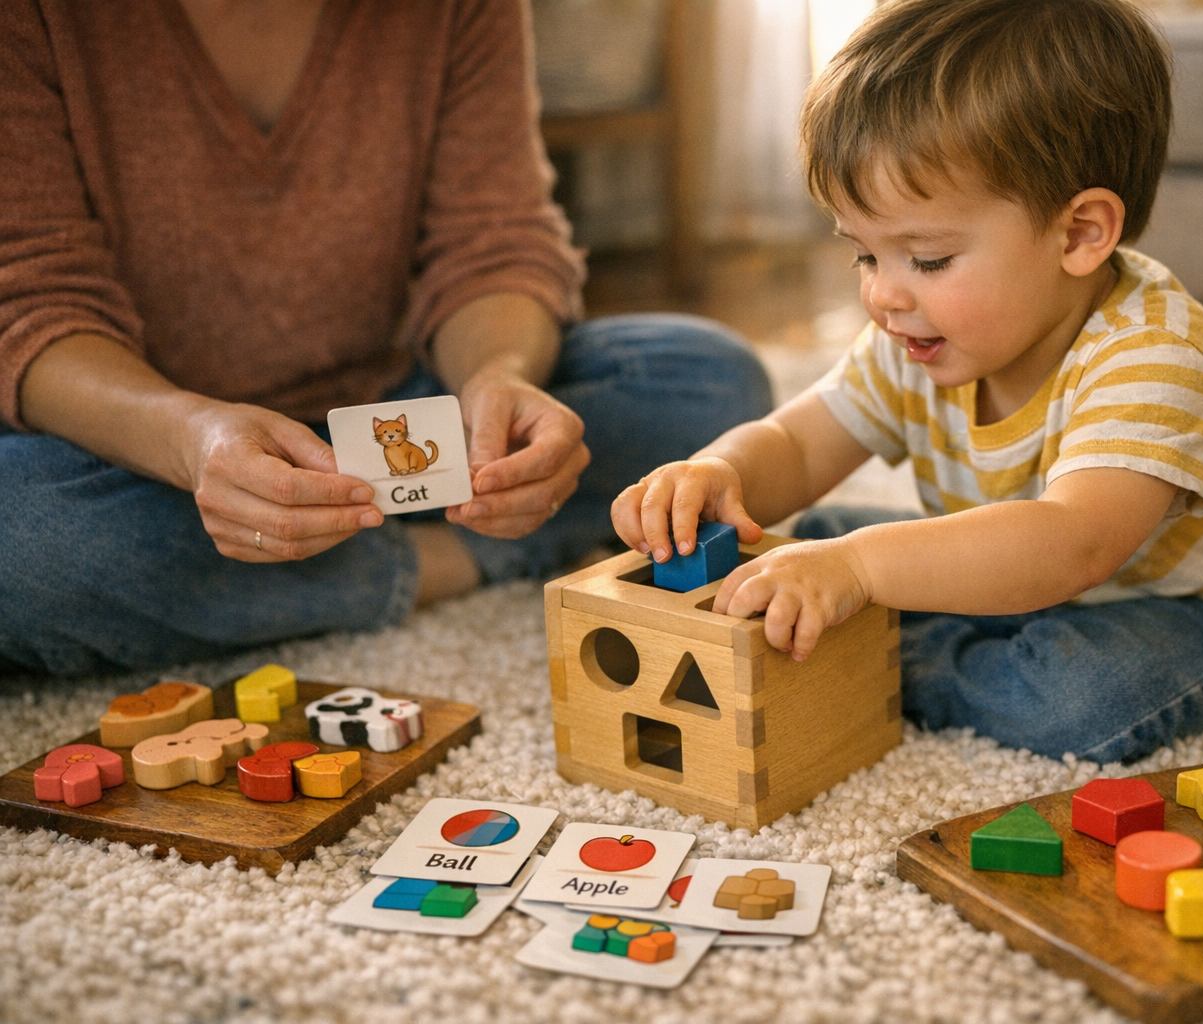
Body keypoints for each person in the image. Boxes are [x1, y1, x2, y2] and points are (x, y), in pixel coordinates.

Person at [611, 0, 1203, 764]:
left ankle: (875, 654)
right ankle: (867, 615)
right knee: (803, 539)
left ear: (1080, 233)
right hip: (1038, 581)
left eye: (927, 259)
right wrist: (721, 474)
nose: (883, 294)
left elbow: (1071, 545)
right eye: (865, 254)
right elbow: (795, 445)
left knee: (1079, 697)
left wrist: (858, 569)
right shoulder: (916, 333)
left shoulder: (1159, 355)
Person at [0, 0, 772, 676]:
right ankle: (453, 560)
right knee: (20, 533)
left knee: (711, 383)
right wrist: (191, 440)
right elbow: (32, 303)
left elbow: (493, 243)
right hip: (141, 447)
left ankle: (283, 577)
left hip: (395, 401)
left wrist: (497, 375)